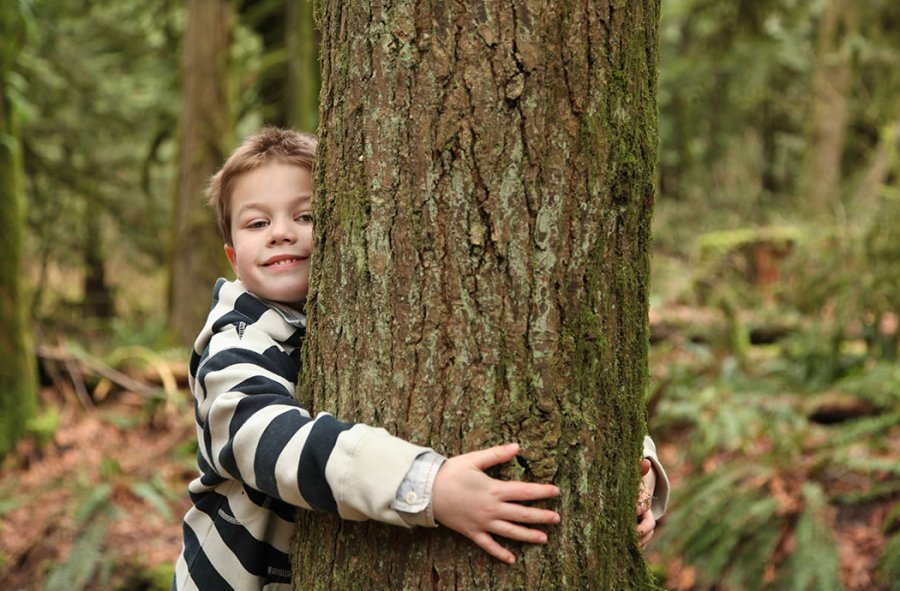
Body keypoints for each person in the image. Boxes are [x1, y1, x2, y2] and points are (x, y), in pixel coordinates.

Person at [173, 127, 669, 590]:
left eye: (306, 215)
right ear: (233, 257)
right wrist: (426, 485)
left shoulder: (349, 312)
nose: (283, 232)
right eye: (258, 222)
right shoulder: (233, 344)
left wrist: (633, 467)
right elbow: (267, 440)